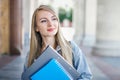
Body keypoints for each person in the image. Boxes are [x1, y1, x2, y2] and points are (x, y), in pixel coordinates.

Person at [22, 5, 92, 80]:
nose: (50, 24)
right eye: (44, 21)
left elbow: (86, 76)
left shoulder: (71, 47)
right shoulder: (31, 54)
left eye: (54, 19)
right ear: (36, 27)